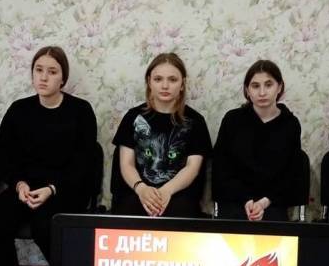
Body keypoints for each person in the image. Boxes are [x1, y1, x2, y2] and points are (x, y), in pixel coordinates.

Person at [0, 45, 97, 266]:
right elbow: (4, 157)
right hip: (25, 187)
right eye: (39, 70)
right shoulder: (19, 110)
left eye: (52, 72)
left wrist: (52, 189)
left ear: (63, 78)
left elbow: (84, 162)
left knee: (46, 225)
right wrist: (19, 184)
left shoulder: (80, 111)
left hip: (65, 189)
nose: (44, 77)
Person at [112, 53, 211, 217]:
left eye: (172, 80)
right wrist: (141, 189)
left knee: (180, 211)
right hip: (137, 191)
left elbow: (193, 168)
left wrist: (166, 191)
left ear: (182, 84)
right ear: (149, 82)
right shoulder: (133, 117)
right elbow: (126, 163)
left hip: (178, 195)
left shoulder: (195, 121)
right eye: (158, 79)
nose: (165, 86)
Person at [212, 60, 302, 221]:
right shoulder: (232, 120)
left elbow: (290, 173)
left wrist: (264, 202)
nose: (262, 92)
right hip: (235, 200)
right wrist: (246, 200)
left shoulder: (290, 124)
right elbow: (222, 168)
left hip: (273, 202)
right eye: (255, 86)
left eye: (268, 85)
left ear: (279, 87)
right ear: (247, 90)